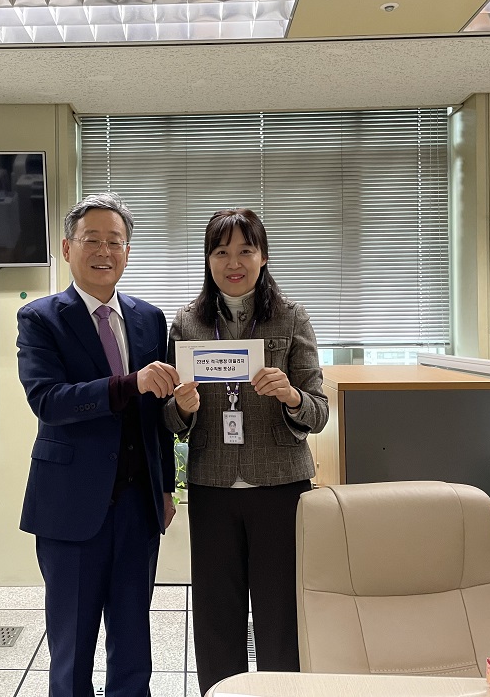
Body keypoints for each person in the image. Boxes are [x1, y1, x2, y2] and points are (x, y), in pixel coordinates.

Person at [16, 193, 181, 697]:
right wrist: (129, 383)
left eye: (115, 241)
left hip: (138, 506)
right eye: (92, 240)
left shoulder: (150, 318)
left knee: (133, 642)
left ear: (128, 252)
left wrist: (166, 487)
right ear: (68, 248)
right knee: (72, 648)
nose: (104, 251)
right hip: (70, 506)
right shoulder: (40, 318)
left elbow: (157, 414)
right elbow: (49, 401)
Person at [163, 207, 329, 694]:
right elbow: (169, 419)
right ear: (208, 259)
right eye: (221, 252)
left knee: (281, 612)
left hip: (280, 486)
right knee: (216, 612)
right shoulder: (188, 323)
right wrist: (182, 408)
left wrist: (291, 396)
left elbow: (319, 411)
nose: (233, 262)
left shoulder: (291, 317)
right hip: (212, 484)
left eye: (245, 250)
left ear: (263, 256)